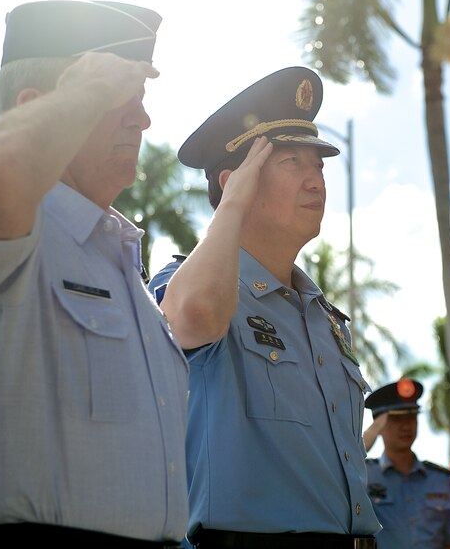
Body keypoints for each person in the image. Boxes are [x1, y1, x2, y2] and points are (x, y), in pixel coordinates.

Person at [0, 0, 189, 547]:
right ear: (35, 106)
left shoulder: (116, 254)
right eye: (120, 99)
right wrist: (83, 89)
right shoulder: (4, 223)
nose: (142, 119)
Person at [148, 66, 380, 549]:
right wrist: (231, 207)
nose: (315, 181)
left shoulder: (325, 318)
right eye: (291, 162)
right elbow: (188, 316)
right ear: (237, 182)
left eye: (318, 166)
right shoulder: (192, 285)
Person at [363, 378, 450, 549]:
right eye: (396, 419)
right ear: (379, 425)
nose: (406, 426)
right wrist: (367, 437)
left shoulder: (441, 479)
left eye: (411, 417)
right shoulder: (364, 476)